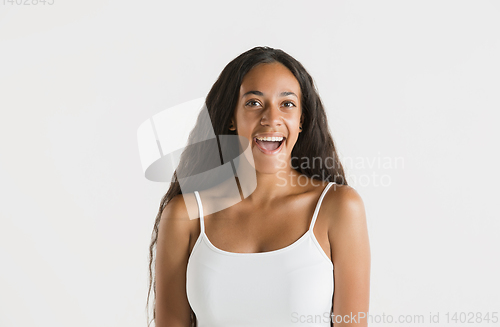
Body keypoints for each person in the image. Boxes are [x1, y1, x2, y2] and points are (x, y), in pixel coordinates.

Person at [147, 46, 371, 327]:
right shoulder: (184, 215)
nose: (271, 118)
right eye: (254, 103)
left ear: (301, 120)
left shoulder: (338, 207)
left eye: (287, 104)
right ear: (231, 117)